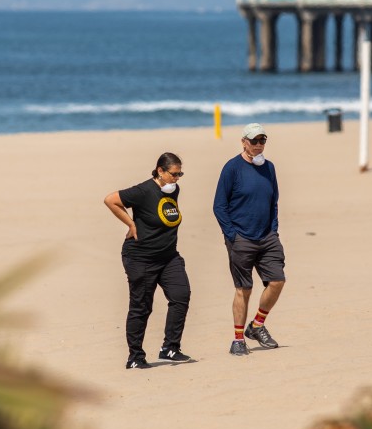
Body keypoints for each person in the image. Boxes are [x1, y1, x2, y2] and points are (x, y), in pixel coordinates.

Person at [104, 152, 193, 369]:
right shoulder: (143, 191)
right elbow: (111, 200)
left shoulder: (174, 190)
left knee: (181, 296)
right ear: (160, 171)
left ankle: (170, 348)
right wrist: (131, 224)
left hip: (169, 257)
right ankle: (135, 357)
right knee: (141, 307)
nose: (177, 178)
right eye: (174, 174)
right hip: (140, 258)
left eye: (180, 173)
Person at [213, 123, 286, 356]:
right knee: (244, 289)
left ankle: (256, 325)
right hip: (240, 238)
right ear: (243, 141)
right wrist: (231, 235)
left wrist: (273, 229)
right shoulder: (232, 168)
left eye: (262, 141)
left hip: (267, 237)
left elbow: (273, 201)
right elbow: (219, 206)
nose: (258, 145)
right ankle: (237, 340)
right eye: (254, 141)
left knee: (277, 281)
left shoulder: (269, 168)